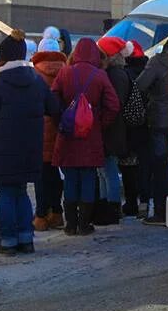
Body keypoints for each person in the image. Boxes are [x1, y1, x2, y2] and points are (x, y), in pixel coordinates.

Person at [0, 30, 56, 255]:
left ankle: (8, 241)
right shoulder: (37, 81)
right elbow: (54, 108)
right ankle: (26, 239)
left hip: (3, 148)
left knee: (6, 194)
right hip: (31, 148)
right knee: (21, 192)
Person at [51, 38, 119, 236]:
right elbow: (113, 105)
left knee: (70, 177)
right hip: (91, 134)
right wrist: (99, 122)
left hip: (68, 134)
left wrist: (62, 121)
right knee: (89, 177)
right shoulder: (100, 75)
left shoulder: (65, 72)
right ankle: (84, 224)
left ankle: (70, 223)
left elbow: (53, 100)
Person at [136, 35, 168, 226]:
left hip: (160, 122)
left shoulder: (157, 61)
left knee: (160, 168)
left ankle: (162, 213)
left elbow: (140, 84)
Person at [30, 38, 66, 231]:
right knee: (56, 175)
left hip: (39, 129)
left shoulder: (35, 72)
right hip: (59, 128)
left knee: (41, 175)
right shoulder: (66, 70)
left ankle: (41, 214)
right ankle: (57, 212)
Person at [95, 36, 130, 225]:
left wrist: (103, 120)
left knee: (107, 171)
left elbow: (113, 104)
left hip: (111, 130)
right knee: (104, 170)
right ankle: (107, 205)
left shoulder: (113, 75)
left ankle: (111, 206)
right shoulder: (119, 73)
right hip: (114, 129)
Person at [121, 41, 149, 218]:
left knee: (128, 168)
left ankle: (131, 203)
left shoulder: (126, 74)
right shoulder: (148, 70)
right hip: (146, 126)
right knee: (144, 166)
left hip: (129, 128)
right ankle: (145, 202)